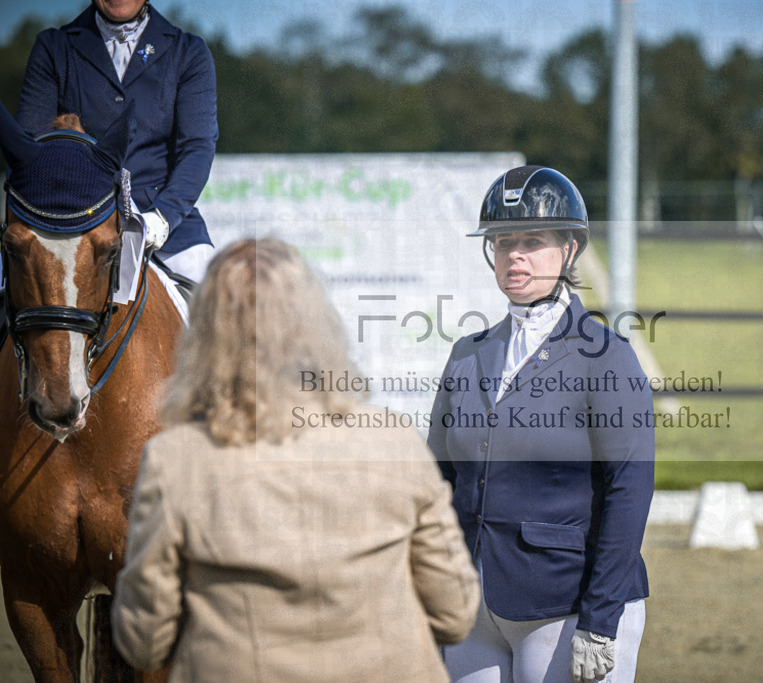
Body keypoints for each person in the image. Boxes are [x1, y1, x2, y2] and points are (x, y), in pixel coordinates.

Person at [111, 238, 480, 682]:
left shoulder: (176, 459)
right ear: (316, 323)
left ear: (205, 334)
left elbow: (144, 640)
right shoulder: (394, 440)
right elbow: (455, 614)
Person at [428, 166, 655, 682]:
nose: (515, 255)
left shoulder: (606, 356)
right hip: (472, 603)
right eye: (504, 242)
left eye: (533, 241)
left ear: (569, 250)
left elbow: (629, 489)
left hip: (566, 603)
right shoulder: (467, 353)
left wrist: (601, 620)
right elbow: (438, 478)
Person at [17, 0, 218, 283]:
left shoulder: (188, 52)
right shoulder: (54, 48)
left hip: (161, 220)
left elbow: (197, 148)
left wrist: (163, 217)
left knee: (216, 297)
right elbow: (30, 147)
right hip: (70, 218)